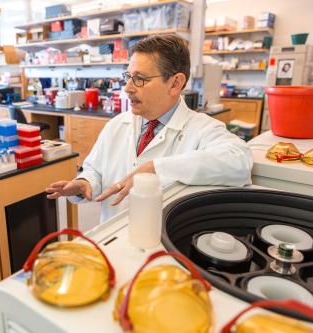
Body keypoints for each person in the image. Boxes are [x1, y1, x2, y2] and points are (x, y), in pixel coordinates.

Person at [46, 34, 253, 222]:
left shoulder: (202, 128)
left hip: (163, 247)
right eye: (128, 77)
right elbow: (95, 169)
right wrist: (85, 183)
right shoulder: (118, 124)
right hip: (112, 239)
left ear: (175, 84)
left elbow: (239, 161)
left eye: (140, 79)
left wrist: (156, 168)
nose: (127, 88)